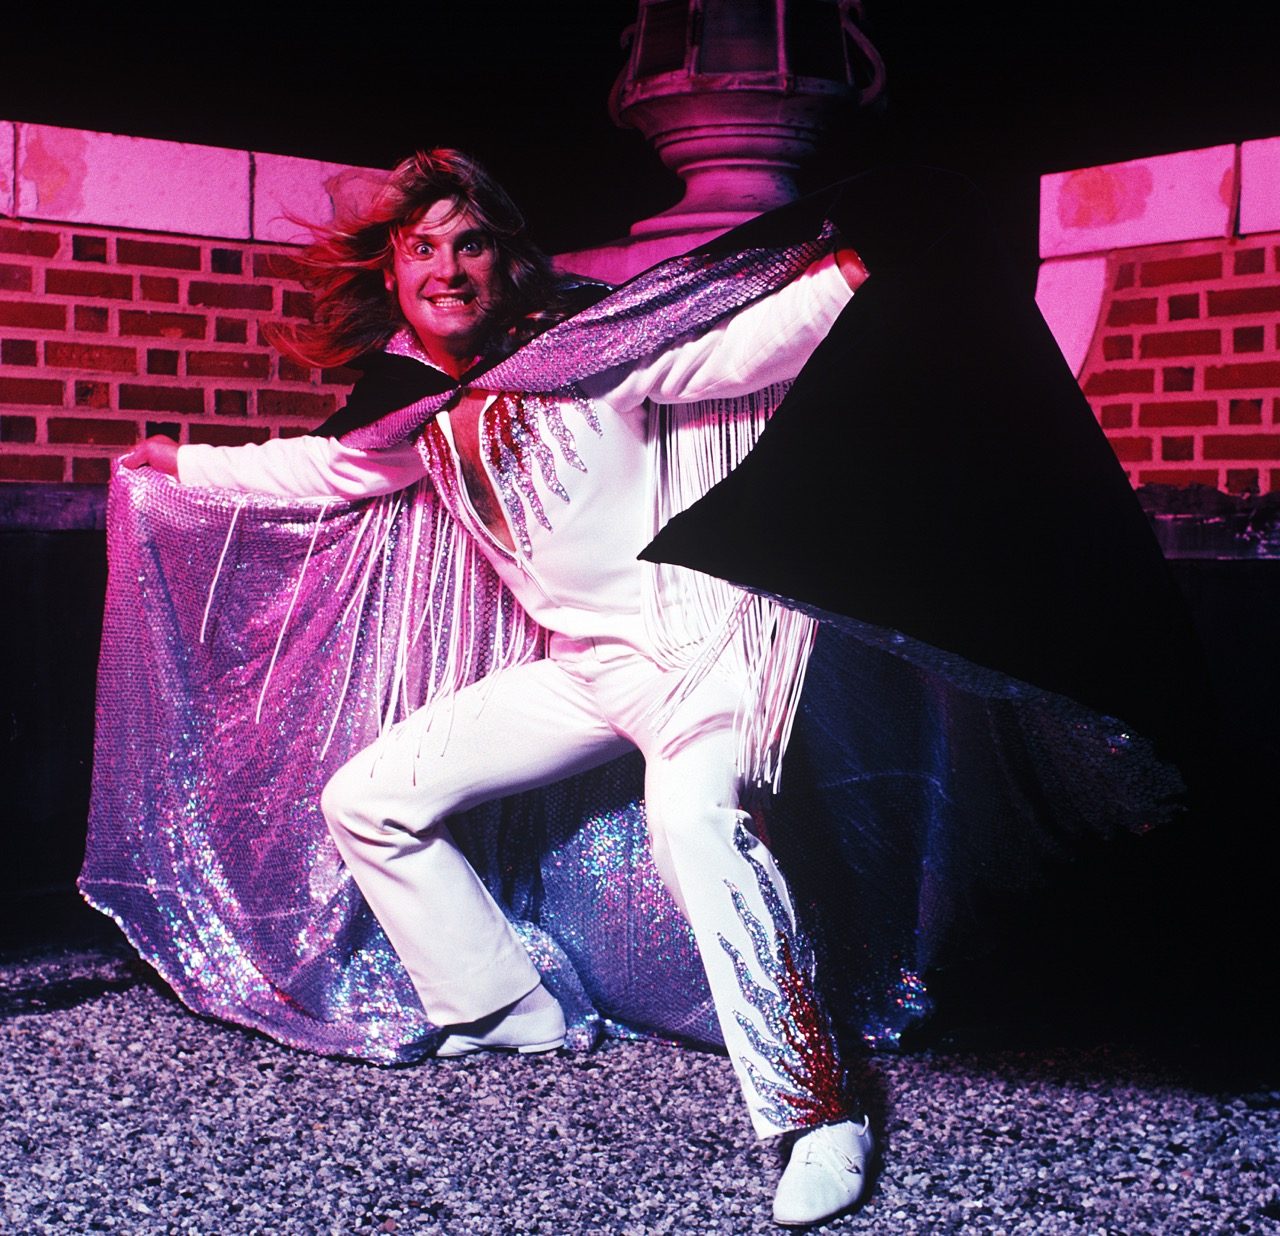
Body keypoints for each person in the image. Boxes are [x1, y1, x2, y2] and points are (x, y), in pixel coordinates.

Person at [123, 148, 874, 1227]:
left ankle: (818, 1112)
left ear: (502, 256)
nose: (447, 268)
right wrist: (181, 464)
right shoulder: (411, 406)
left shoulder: (589, 351)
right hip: (584, 671)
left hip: (699, 654)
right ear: (391, 269)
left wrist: (848, 276)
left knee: (697, 828)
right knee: (368, 798)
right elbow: (319, 466)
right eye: (422, 247)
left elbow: (737, 350)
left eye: (468, 242)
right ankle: (502, 1006)